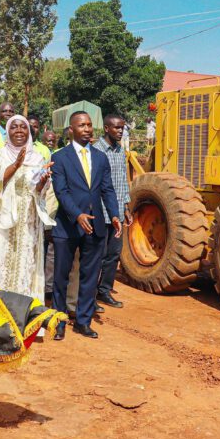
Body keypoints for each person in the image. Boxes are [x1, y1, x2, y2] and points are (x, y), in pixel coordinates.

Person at [51, 111, 121, 340]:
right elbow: (61, 192)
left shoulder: (100, 158)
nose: (87, 129)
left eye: (89, 125)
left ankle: (83, 321)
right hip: (68, 226)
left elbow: (107, 189)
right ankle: (59, 321)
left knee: (90, 277)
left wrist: (114, 215)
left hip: (96, 224)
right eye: (82, 125)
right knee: (61, 277)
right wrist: (77, 214)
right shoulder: (60, 157)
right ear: (71, 130)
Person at [0, 115, 54, 300]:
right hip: (0, 218)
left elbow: (39, 191)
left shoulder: (38, 158)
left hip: (27, 219)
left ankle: (21, 308)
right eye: (14, 127)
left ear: (29, 132)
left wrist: (42, 182)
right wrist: (16, 164)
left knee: (24, 263)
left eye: (23, 127)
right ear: (7, 132)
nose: (19, 130)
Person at [93, 114, 133, 308]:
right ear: (106, 128)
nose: (120, 131)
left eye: (122, 128)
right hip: (100, 212)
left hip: (117, 212)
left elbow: (123, 180)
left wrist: (125, 207)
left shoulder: (119, 150)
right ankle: (90, 295)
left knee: (113, 254)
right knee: (96, 255)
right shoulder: (96, 151)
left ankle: (104, 291)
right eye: (116, 127)